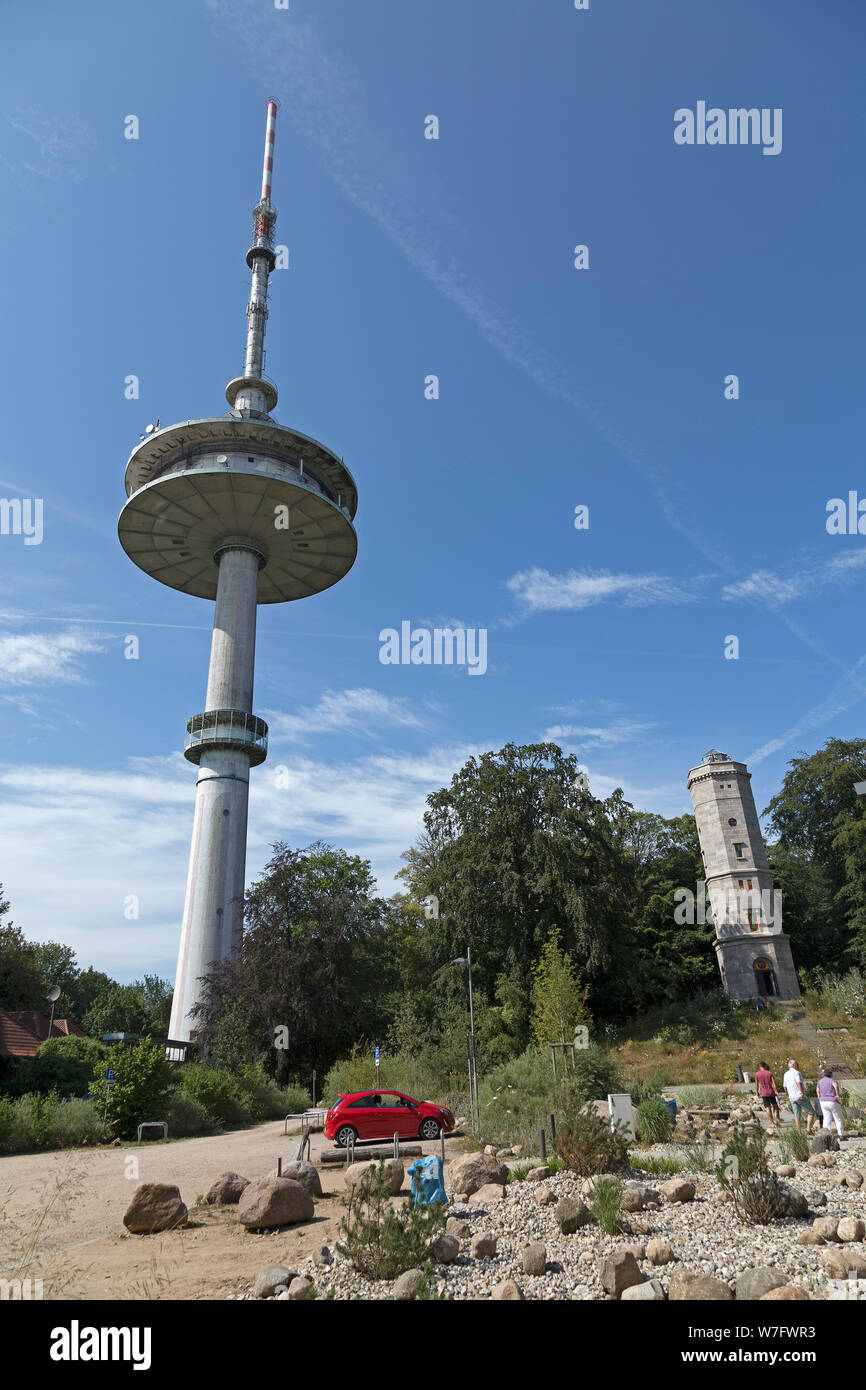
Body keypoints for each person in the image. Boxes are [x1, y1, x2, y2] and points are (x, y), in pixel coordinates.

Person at [782, 1058, 817, 1134]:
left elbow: (784, 1086)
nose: (798, 1066)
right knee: (811, 1112)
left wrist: (788, 1094)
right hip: (799, 1096)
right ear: (793, 1065)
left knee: (797, 1115)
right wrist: (802, 1093)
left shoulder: (786, 1074)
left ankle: (799, 1133)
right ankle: (808, 1129)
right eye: (797, 1065)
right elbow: (799, 1083)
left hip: (792, 1097)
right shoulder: (797, 1073)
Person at [816, 1069, 845, 1138]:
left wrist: (819, 1097)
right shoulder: (831, 1080)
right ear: (830, 1074)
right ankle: (841, 1135)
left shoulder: (820, 1081)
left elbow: (817, 1090)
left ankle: (827, 1135)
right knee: (837, 1118)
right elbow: (836, 1086)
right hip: (832, 1100)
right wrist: (837, 1094)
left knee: (826, 1118)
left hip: (823, 1101)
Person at [754, 1059, 780, 1132]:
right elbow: (774, 1084)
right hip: (771, 1092)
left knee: (767, 1108)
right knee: (775, 1106)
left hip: (764, 1093)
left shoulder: (757, 1074)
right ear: (765, 1066)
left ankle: (772, 1123)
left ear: (760, 1066)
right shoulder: (769, 1073)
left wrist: (757, 1092)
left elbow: (756, 1084)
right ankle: (776, 1119)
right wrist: (776, 1091)